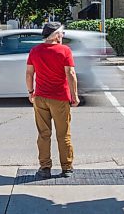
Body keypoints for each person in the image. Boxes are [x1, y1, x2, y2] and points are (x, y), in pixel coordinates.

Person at [25, 22, 80, 179]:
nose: (63, 36)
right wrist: (74, 96)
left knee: (43, 134)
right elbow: (71, 74)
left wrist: (31, 92)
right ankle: (67, 168)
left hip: (40, 98)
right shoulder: (65, 51)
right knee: (63, 135)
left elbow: (29, 74)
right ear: (56, 35)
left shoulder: (35, 51)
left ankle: (44, 167)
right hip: (59, 98)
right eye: (61, 33)